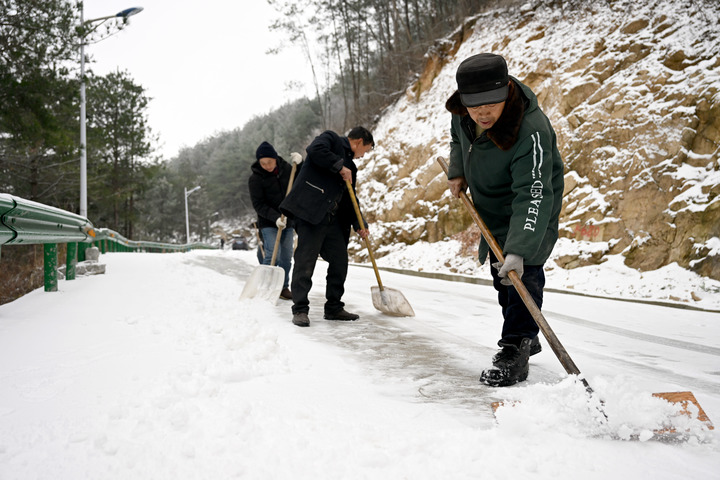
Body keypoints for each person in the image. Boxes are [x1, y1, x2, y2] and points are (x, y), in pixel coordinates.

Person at [445, 53, 564, 387]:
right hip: (491, 206)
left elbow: (534, 193)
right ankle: (525, 335)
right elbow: (458, 138)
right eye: (475, 106)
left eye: (491, 104)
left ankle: (515, 347)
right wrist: (458, 171)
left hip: (533, 205)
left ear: (507, 91)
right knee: (502, 278)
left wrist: (520, 247)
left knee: (522, 273)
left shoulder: (530, 129)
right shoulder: (465, 114)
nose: (483, 113)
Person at [279, 127, 374, 327]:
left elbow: (350, 198)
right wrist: (339, 166)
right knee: (305, 262)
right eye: (365, 150)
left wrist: (359, 223)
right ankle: (300, 310)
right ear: (357, 142)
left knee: (340, 261)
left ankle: (334, 307)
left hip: (333, 220)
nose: (363, 155)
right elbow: (314, 150)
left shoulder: (352, 168)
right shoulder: (330, 140)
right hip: (311, 214)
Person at [248, 141, 302, 300]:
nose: (267, 166)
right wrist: (275, 218)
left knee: (286, 257)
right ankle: (266, 286)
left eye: (269, 162)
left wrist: (300, 164)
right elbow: (258, 205)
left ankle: (283, 287)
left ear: (275, 158)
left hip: (289, 219)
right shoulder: (255, 179)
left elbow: (300, 180)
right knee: (273, 254)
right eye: (263, 163)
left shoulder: (287, 169)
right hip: (268, 222)